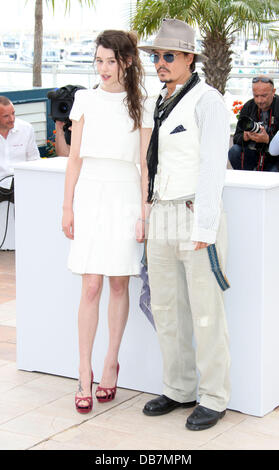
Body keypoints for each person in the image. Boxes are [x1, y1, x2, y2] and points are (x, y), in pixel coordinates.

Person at [138, 18, 231, 431]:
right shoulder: (160, 99)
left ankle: (214, 397)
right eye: (157, 55)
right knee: (167, 308)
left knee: (206, 312)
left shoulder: (207, 100)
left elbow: (214, 168)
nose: (160, 61)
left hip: (195, 215)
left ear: (189, 58)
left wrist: (205, 229)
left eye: (168, 55)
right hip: (162, 213)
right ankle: (178, 388)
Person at [62, 30, 153, 413]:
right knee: (90, 286)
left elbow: (146, 164)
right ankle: (84, 370)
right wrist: (67, 206)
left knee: (119, 284)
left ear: (127, 62)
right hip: (90, 195)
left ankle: (110, 363)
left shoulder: (143, 104)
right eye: (98, 61)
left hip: (125, 195)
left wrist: (145, 211)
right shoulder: (84, 99)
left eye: (110, 61)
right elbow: (75, 158)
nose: (103, 68)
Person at [228, 76, 279, 171]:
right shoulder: (248, 107)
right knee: (235, 151)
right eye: (256, 96)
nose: (259, 100)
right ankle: (246, 180)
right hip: (254, 153)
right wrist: (245, 137)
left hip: (275, 158)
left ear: (273, 92)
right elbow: (236, 138)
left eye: (264, 96)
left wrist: (268, 139)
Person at [0, 96, 40, 183]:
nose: (12, 119)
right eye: (6, 116)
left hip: (22, 183)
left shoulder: (26, 128)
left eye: (13, 113)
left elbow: (34, 160)